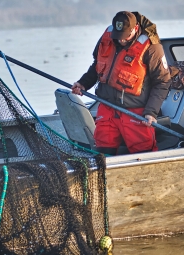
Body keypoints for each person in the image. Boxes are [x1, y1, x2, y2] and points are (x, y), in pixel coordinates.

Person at [72, 11, 171, 155]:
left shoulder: (152, 47)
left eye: (126, 37)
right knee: (102, 153)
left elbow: (163, 82)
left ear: (135, 29)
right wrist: (83, 83)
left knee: (143, 154)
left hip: (136, 112)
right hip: (106, 107)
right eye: (118, 37)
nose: (121, 41)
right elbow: (98, 64)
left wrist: (151, 112)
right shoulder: (107, 37)